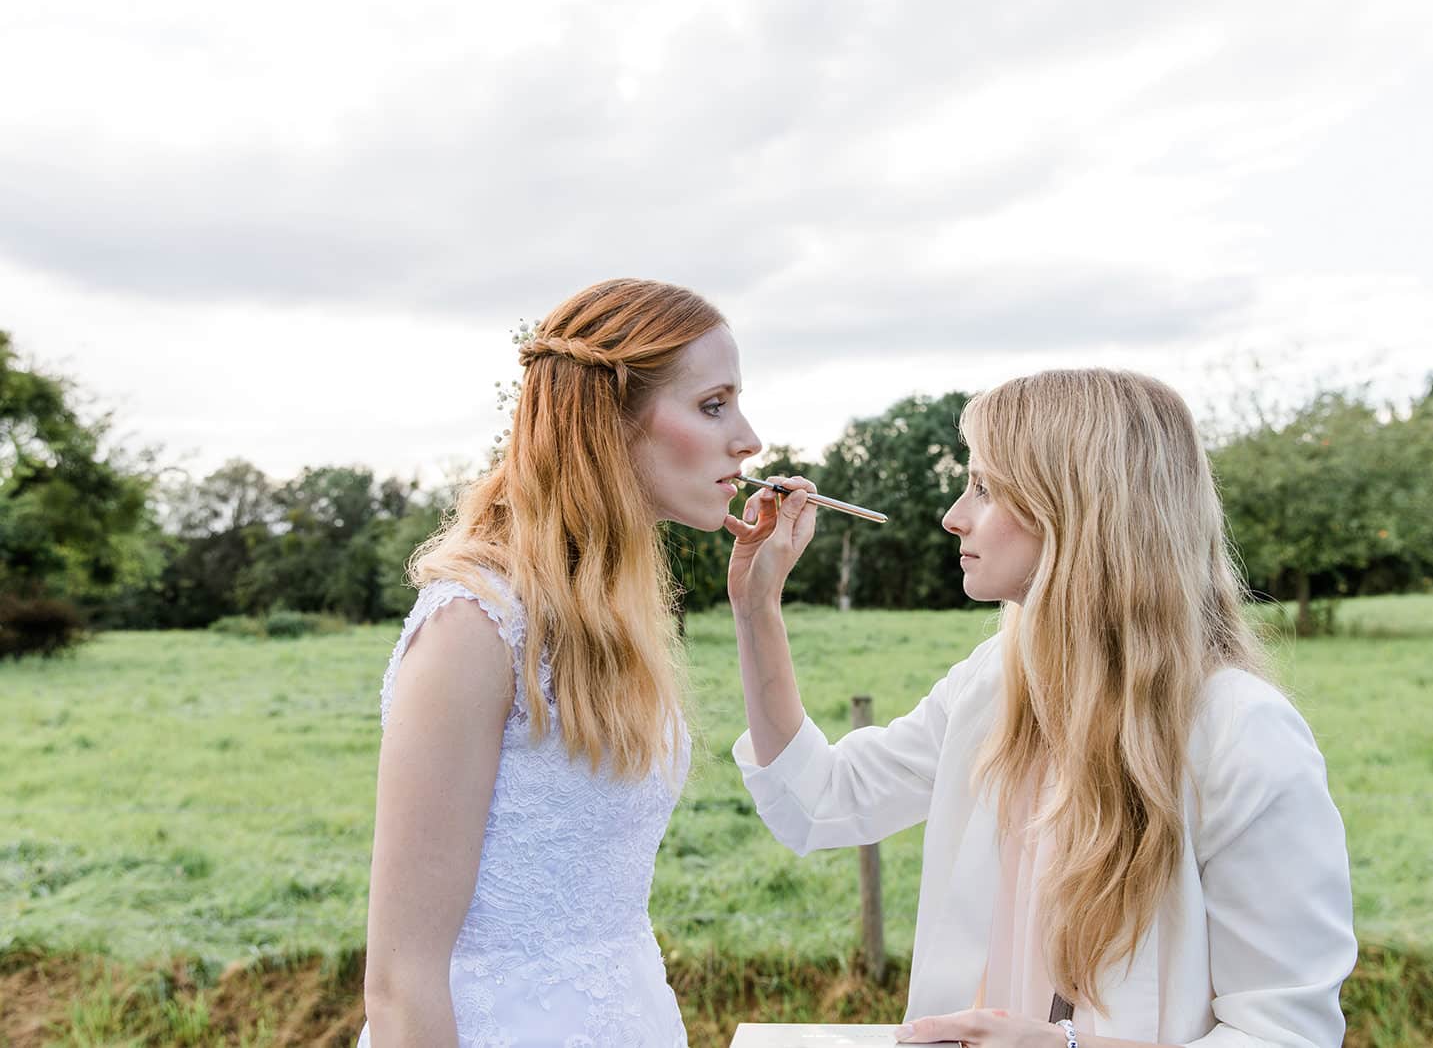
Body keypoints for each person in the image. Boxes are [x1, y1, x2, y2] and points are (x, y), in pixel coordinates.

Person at [725, 369, 1356, 1047]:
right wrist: (757, 607)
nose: (953, 516)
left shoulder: (1242, 734)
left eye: (985, 487)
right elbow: (818, 800)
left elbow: (1288, 1034)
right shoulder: (995, 683)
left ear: (1078, 508)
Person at [358, 278, 761, 1047]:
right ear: (608, 422)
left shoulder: (610, 613)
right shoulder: (474, 626)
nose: (748, 438)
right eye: (714, 404)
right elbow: (400, 979)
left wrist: (760, 604)